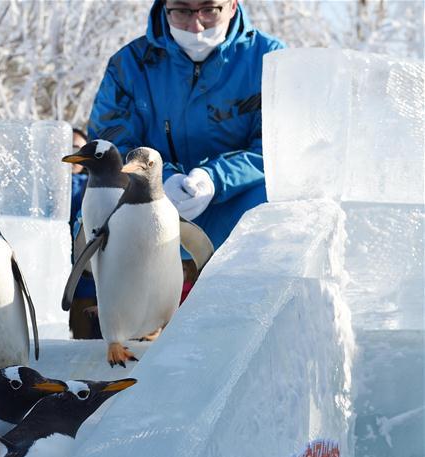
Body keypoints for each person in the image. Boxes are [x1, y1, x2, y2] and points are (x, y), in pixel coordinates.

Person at [88, 0, 285, 289]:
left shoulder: (270, 59)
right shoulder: (129, 65)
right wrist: (159, 181)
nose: (196, 25)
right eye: (181, 10)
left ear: (232, 5)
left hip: (236, 210)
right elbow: (111, 143)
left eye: (209, 9)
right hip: (147, 208)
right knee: (95, 207)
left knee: (283, 202)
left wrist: (215, 178)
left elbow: (280, 147)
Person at [67, 127, 102, 340]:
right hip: (60, 279)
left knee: (90, 344)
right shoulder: (42, 189)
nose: (73, 156)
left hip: (89, 286)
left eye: (78, 149)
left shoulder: (93, 185)